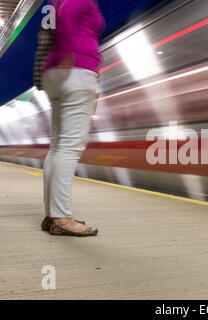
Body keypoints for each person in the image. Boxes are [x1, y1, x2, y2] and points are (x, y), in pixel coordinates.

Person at [38, 0, 105, 236]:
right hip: (76, 68)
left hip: (59, 72)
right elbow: (66, 13)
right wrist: (67, 53)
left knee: (58, 147)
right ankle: (62, 218)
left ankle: (52, 214)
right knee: (69, 147)